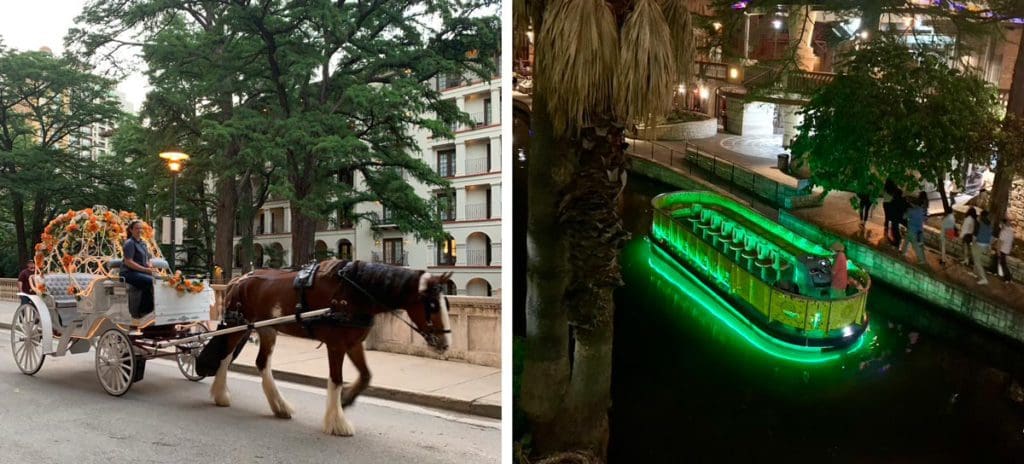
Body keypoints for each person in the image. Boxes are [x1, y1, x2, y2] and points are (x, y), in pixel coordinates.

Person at [121, 220, 158, 318]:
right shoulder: (129, 243)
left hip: (140, 272)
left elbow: (147, 259)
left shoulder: (143, 243)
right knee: (151, 281)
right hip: (129, 272)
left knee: (160, 281)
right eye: (137, 228)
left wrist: (149, 266)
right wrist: (145, 270)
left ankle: (154, 309)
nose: (139, 230)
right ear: (131, 230)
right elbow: (128, 261)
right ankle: (144, 312)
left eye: (141, 228)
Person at [904, 193, 927, 265]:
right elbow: (925, 219)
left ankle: (922, 260)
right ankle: (903, 252)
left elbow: (904, 217)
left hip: (912, 230)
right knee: (909, 241)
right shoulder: (922, 211)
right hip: (919, 231)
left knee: (915, 245)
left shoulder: (911, 210)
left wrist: (907, 211)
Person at [972, 211, 993, 285]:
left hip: (978, 244)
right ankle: (975, 273)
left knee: (977, 261)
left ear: (981, 216)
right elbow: (990, 237)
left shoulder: (979, 224)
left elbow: (975, 236)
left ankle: (984, 278)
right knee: (976, 258)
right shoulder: (990, 224)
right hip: (985, 245)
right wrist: (989, 247)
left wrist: (973, 244)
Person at [997, 218, 1015, 283]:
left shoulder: (1003, 232)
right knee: (1002, 263)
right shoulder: (1011, 231)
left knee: (1003, 264)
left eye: (1001, 224)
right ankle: (1006, 277)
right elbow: (1012, 242)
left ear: (1003, 224)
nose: (1000, 225)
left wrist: (998, 251)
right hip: (1007, 250)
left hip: (1003, 250)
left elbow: (1000, 243)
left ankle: (1008, 278)